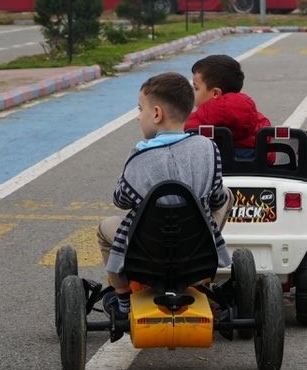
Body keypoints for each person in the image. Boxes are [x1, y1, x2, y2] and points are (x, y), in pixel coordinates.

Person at [97, 72, 232, 321]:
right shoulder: (207, 148)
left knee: (104, 228)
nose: (139, 116)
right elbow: (216, 199)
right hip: (195, 249)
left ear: (157, 114)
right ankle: (203, 278)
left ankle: (123, 299)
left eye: (140, 109)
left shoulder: (138, 156)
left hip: (145, 253)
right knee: (227, 196)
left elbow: (121, 199)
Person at [184, 54, 271, 160]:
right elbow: (270, 156)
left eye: (196, 88)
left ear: (215, 93)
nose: (193, 92)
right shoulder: (259, 120)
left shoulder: (196, 123)